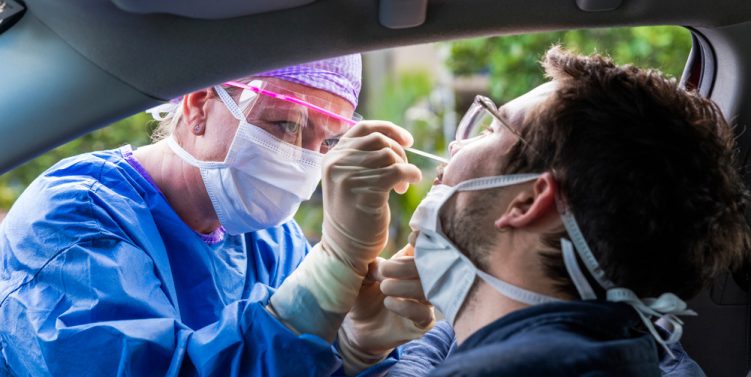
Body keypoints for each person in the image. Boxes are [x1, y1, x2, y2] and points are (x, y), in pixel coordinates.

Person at [0, 55, 434, 376]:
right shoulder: (74, 220)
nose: (303, 159)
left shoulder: (272, 241)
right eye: (285, 123)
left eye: (326, 142)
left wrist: (352, 349)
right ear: (198, 104)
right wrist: (331, 269)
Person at [390, 46, 749, 376]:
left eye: (489, 128)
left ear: (529, 201)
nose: (455, 144)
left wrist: (334, 293)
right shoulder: (638, 353)